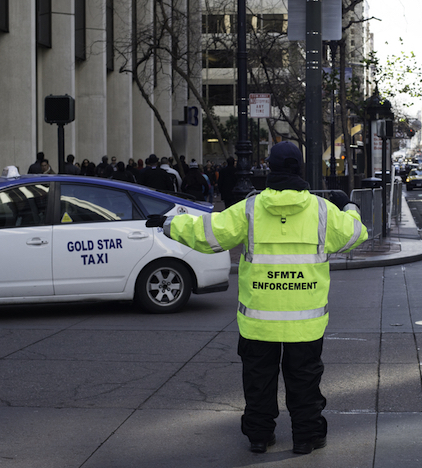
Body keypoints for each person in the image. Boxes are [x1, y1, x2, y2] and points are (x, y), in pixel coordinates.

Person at [145, 141, 367, 455]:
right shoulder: (322, 212)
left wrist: (170, 224)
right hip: (306, 323)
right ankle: (307, 436)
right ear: (300, 170)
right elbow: (357, 234)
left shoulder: (250, 209)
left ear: (270, 169)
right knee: (305, 382)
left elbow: (208, 233)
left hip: (258, 322)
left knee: (258, 382)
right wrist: (350, 207)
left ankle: (260, 437)